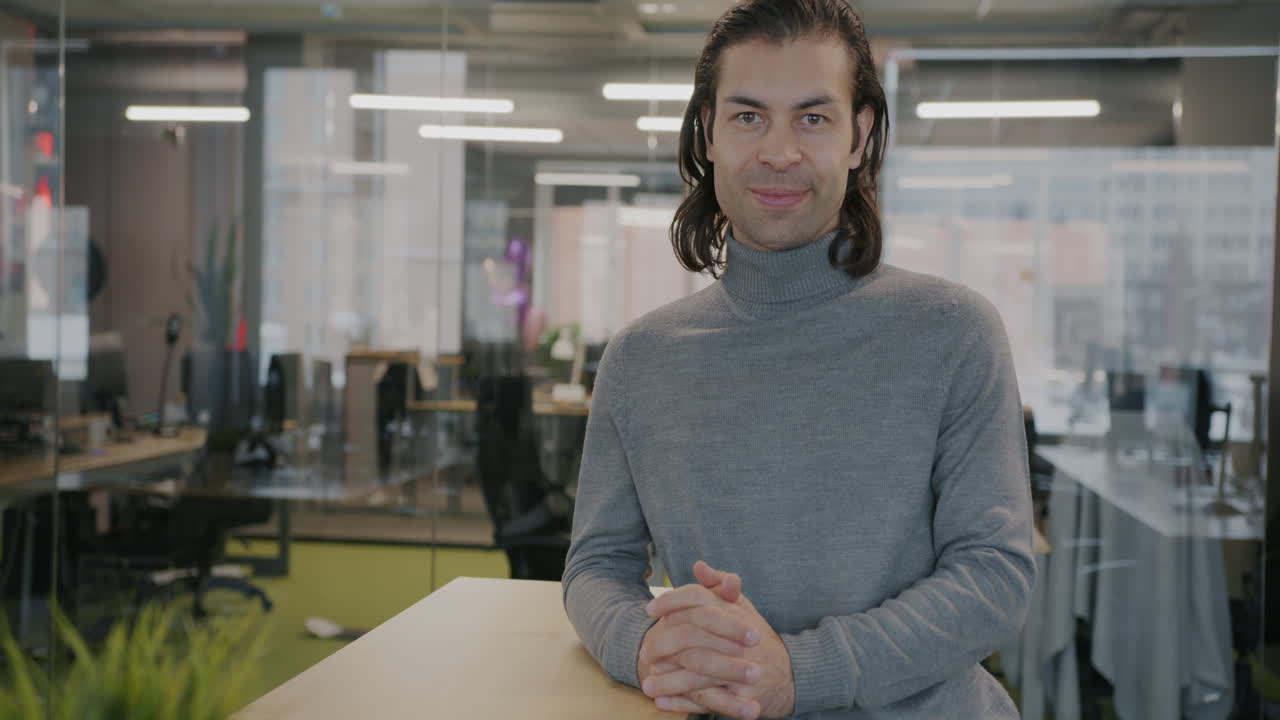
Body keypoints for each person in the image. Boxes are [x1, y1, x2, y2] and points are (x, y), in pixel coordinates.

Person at [561, 0, 1036, 717]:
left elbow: (994, 577)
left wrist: (797, 670)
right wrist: (642, 645)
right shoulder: (641, 359)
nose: (778, 152)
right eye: (748, 116)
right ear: (708, 134)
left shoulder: (952, 332)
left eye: (812, 118)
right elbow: (596, 568)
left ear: (859, 135)